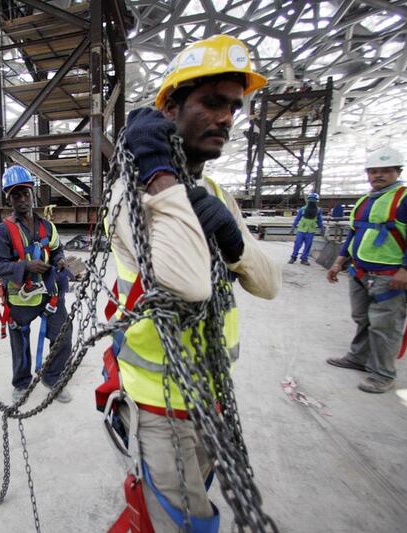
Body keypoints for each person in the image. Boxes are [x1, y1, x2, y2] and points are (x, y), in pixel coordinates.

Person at [100, 35, 281, 532]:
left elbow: (268, 284)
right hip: (161, 402)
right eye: (211, 103)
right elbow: (188, 286)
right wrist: (161, 177)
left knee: (195, 492)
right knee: (184, 521)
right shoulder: (130, 195)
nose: (225, 118)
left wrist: (229, 236)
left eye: (233, 107)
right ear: (170, 109)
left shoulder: (217, 193)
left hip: (213, 394)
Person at [326, 146, 407, 394]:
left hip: (390, 275)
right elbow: (355, 232)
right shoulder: (366, 201)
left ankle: (383, 374)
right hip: (361, 272)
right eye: (373, 171)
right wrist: (339, 261)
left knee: (384, 326)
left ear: (398, 171)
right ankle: (358, 358)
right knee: (362, 318)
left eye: (385, 171)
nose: (378, 176)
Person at [0, 165, 73, 404]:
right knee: (21, 342)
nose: (22, 199)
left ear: (33, 193)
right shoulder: (3, 232)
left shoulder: (47, 226)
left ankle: (52, 376)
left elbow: (57, 248)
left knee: (63, 336)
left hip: (50, 293)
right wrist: (26, 267)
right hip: (21, 297)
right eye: (16, 195)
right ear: (10, 198)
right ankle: (22, 382)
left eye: (26, 193)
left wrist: (59, 261)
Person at [289, 192, 324, 265]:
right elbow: (297, 218)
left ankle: (304, 259)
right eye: (311, 199)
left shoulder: (318, 210)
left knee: (308, 246)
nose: (312, 201)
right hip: (301, 230)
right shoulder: (302, 209)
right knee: (297, 244)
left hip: (310, 231)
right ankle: (293, 257)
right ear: (308, 200)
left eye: (314, 200)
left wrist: (322, 228)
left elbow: (319, 220)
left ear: (316, 201)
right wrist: (293, 227)